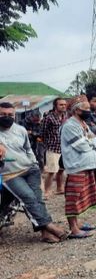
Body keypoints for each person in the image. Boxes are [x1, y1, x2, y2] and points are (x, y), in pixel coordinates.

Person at [0, 103, 68, 243]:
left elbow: (28, 148)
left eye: (10, 115)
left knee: (38, 200)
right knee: (28, 198)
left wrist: (34, 163)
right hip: (10, 174)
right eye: (3, 115)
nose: (7, 117)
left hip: (30, 169)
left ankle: (45, 233)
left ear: (14, 115)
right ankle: (49, 225)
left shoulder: (20, 130)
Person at [60, 97, 96, 238]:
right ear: (77, 110)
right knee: (73, 198)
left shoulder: (82, 123)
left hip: (85, 165)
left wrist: (90, 140)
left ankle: (78, 224)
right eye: (87, 108)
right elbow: (82, 145)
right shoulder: (70, 125)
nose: (89, 111)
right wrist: (91, 141)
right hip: (76, 166)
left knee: (82, 195)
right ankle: (73, 229)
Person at [41, 98, 68, 199]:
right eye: (61, 104)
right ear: (55, 106)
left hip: (63, 148)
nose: (63, 106)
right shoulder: (49, 118)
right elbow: (42, 133)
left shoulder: (65, 117)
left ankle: (59, 188)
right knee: (51, 171)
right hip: (53, 148)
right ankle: (47, 191)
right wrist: (47, 143)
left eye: (65, 104)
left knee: (61, 170)